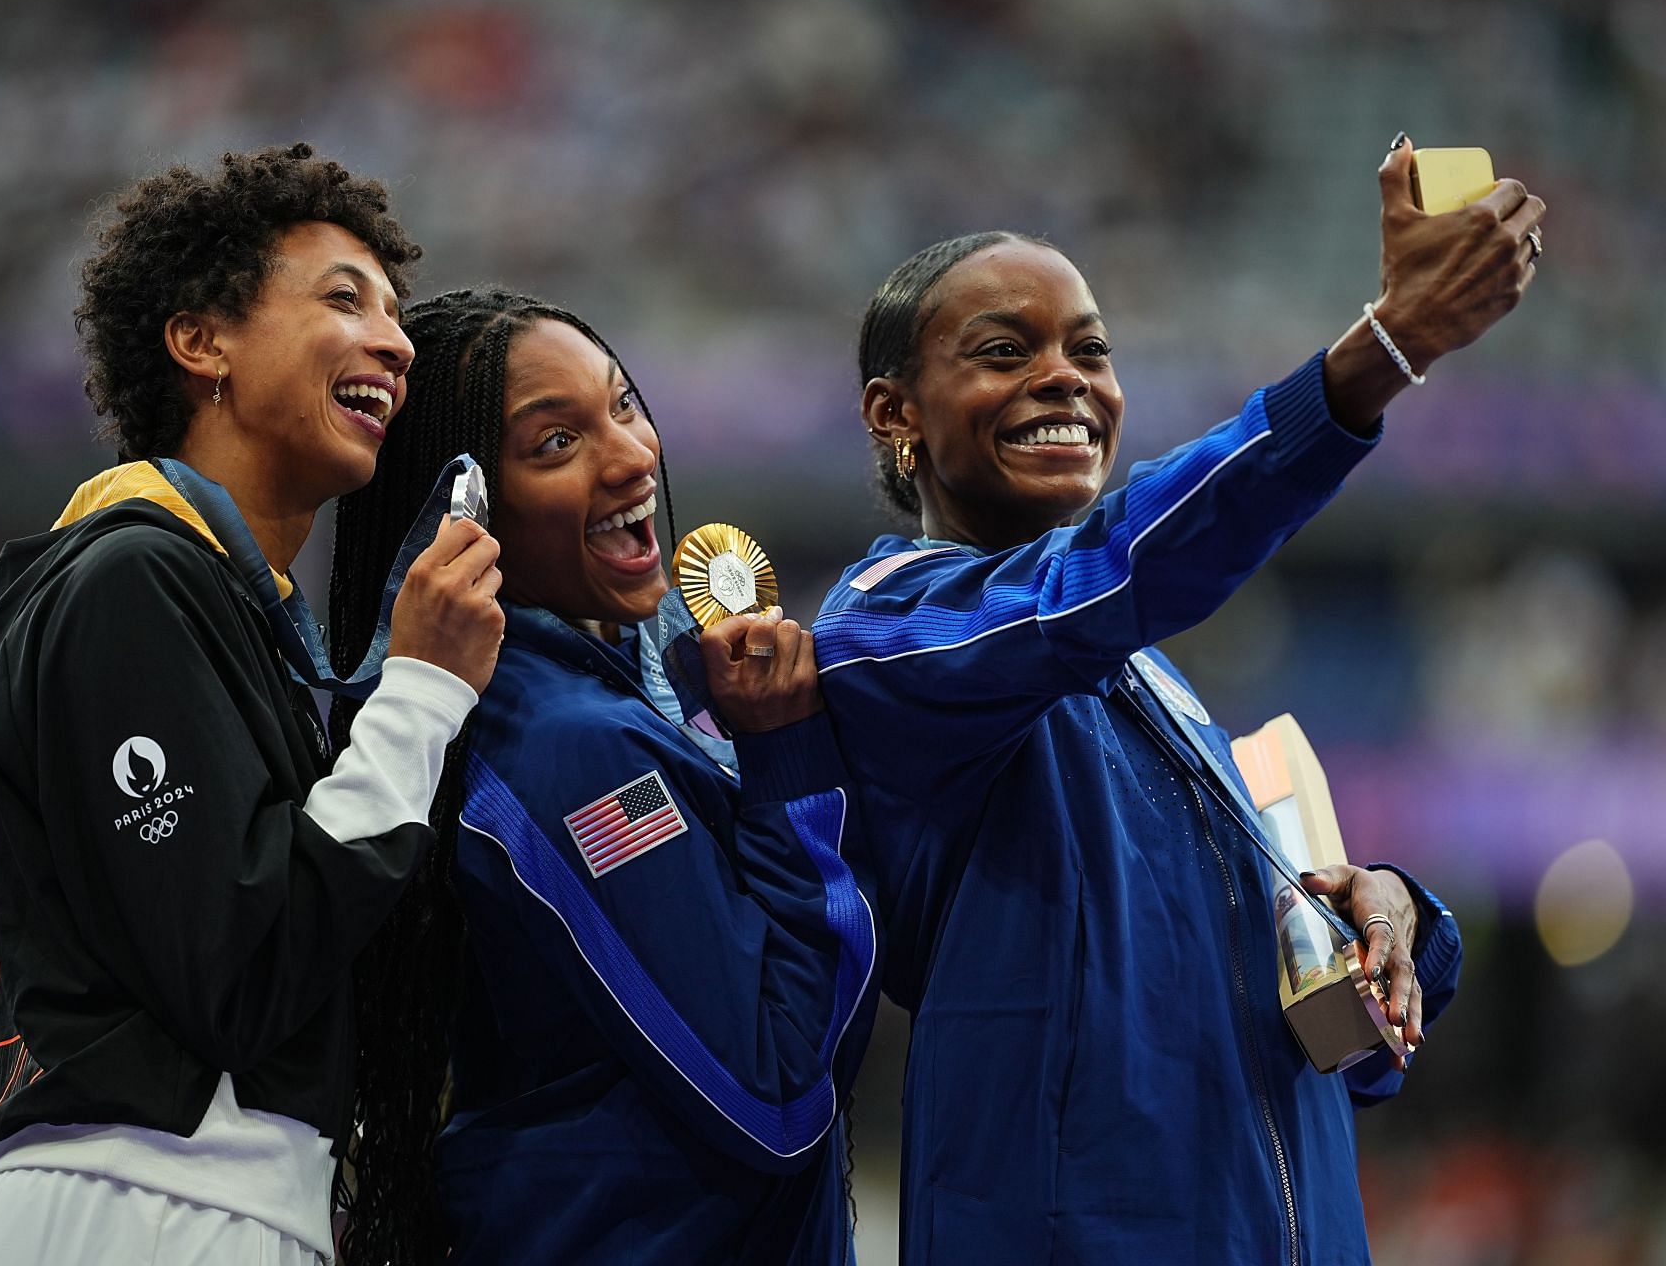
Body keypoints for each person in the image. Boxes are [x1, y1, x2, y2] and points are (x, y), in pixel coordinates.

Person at [811, 137, 1543, 1262]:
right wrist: (1381, 351)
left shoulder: (1147, 677)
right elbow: (1107, 574)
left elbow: (1319, 1046)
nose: (1066, 378)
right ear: (894, 412)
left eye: (1090, 350)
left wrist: (1391, 914)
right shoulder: (886, 628)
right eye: (1005, 350)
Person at [0, 144, 505, 1266]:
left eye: (398, 314)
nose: (397, 340)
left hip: (220, 1200)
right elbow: (246, 967)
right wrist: (422, 689)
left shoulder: (232, 610)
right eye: (344, 298)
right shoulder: (131, 578)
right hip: (130, 1199)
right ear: (201, 342)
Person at [326, 287, 879, 1265]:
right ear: (467, 513)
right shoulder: (571, 750)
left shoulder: (572, 699)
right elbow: (776, 1091)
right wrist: (793, 765)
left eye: (623, 405)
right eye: (555, 442)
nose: (632, 454)